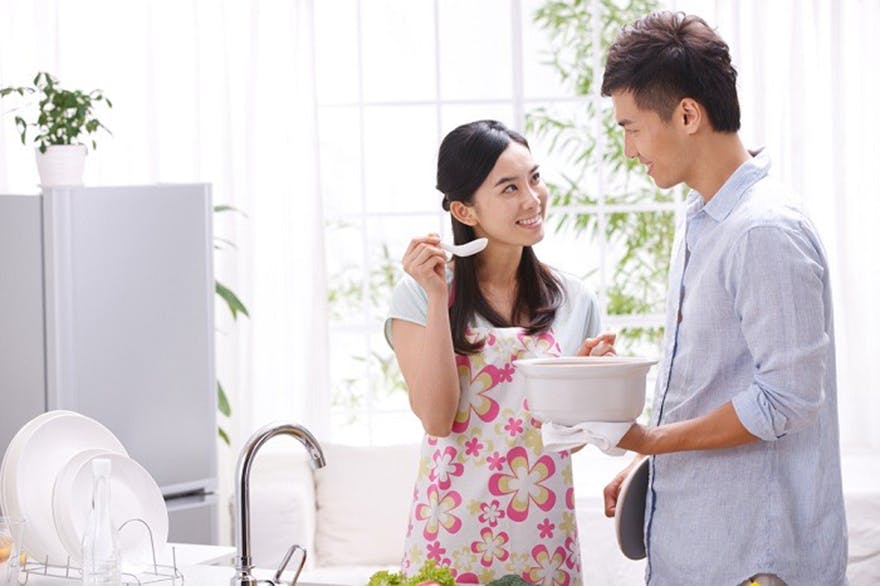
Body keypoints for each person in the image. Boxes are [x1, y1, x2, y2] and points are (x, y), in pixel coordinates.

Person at [599, 11, 848, 586]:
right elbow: (722, 376)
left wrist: (652, 438)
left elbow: (786, 399)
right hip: (701, 549)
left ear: (688, 114)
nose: (631, 149)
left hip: (752, 563)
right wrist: (651, 463)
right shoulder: (704, 220)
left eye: (632, 127)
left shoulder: (763, 231)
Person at [385, 120, 615, 585]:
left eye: (534, 178)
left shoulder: (575, 301)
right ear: (464, 211)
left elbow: (569, 442)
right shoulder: (419, 295)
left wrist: (594, 387)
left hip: (543, 538)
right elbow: (436, 419)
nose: (533, 199)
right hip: (451, 538)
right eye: (509, 188)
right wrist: (434, 297)